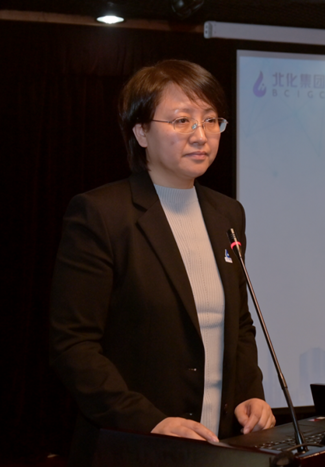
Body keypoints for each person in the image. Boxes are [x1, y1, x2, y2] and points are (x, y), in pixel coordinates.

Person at [49, 59, 275, 466]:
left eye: (210, 120)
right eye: (182, 120)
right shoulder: (102, 215)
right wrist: (149, 422)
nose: (200, 135)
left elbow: (239, 324)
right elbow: (73, 345)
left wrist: (250, 393)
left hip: (218, 445)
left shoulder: (228, 214)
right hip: (133, 446)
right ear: (141, 132)